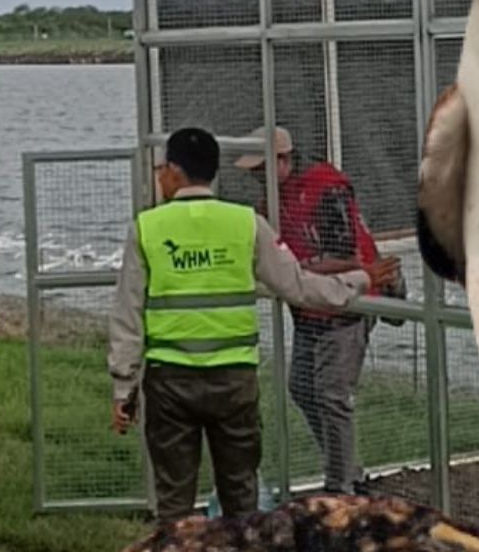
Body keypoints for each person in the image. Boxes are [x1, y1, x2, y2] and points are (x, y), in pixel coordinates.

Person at [107, 127, 400, 524]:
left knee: (174, 502)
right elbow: (300, 286)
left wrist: (124, 387)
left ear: (174, 172)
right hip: (234, 382)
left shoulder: (147, 229)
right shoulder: (247, 224)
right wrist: (362, 280)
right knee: (241, 500)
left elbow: (127, 316)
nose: (159, 177)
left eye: (161, 170)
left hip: (170, 383)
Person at [235, 125, 405, 496]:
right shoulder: (271, 203)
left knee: (331, 394)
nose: (256, 179)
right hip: (310, 305)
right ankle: (347, 469)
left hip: (347, 303)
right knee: (303, 388)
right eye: (253, 173)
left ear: (284, 160)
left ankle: (341, 485)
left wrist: (296, 272)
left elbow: (346, 255)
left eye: (261, 169)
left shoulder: (326, 188)